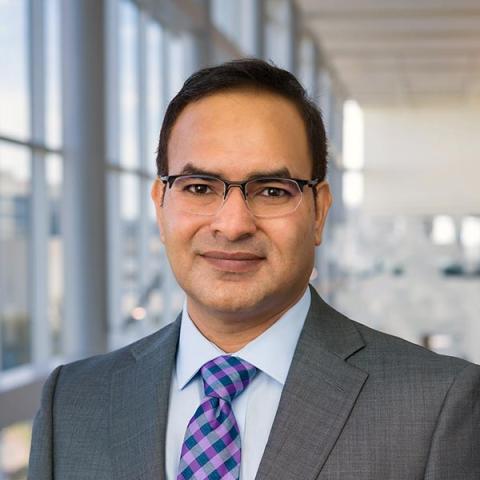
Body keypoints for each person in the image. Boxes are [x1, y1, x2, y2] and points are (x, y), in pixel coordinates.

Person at [28, 59, 480, 480]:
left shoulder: (438, 405)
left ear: (318, 212)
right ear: (160, 206)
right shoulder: (72, 401)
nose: (233, 225)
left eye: (272, 191)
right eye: (200, 187)